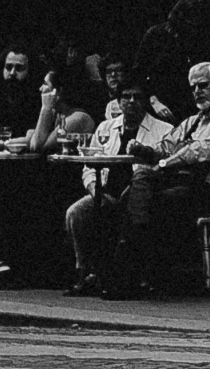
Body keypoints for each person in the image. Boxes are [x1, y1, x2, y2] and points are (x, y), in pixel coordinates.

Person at [106, 62, 210, 296]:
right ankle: (135, 268)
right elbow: (166, 146)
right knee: (140, 181)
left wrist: (163, 163)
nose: (197, 92)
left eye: (203, 85)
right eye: (193, 87)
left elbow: (202, 151)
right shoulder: (193, 120)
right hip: (188, 185)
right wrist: (145, 150)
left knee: (138, 193)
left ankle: (126, 267)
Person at [60, 78, 171, 296]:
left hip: (139, 193)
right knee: (76, 213)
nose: (131, 102)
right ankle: (85, 272)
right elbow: (89, 165)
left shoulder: (164, 130)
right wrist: (93, 188)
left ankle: (123, 276)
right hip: (104, 190)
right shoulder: (105, 128)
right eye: (126, 97)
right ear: (118, 102)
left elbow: (165, 166)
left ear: (146, 101)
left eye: (137, 97)